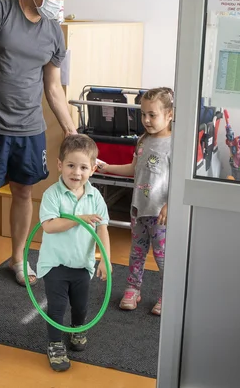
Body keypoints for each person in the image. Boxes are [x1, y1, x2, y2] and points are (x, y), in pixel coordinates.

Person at [0, 0, 76, 287]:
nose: (58, 3)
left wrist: (71, 131)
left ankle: (18, 260)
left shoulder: (53, 31)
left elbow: (53, 87)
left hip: (30, 128)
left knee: (24, 191)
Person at [38, 135, 111, 372]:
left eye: (83, 167)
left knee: (80, 307)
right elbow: (49, 225)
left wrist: (105, 261)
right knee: (57, 307)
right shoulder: (52, 194)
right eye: (70, 165)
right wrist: (78, 220)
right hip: (55, 264)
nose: (76, 172)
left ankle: (77, 329)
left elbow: (102, 229)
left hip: (82, 264)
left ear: (93, 169)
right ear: (60, 165)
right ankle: (55, 344)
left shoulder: (95, 196)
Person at [98, 88, 174, 316]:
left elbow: (180, 179)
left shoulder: (175, 144)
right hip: (138, 209)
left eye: (153, 115)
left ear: (169, 115)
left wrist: (169, 205)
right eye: (143, 114)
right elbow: (133, 168)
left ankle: (168, 293)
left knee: (163, 257)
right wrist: (107, 167)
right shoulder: (142, 140)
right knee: (137, 252)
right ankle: (133, 287)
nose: (146, 120)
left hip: (160, 213)